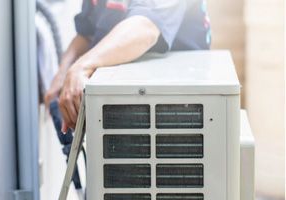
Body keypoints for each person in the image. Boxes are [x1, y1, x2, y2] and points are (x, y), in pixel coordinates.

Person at [44, 0, 211, 131]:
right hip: (120, 107)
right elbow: (86, 34)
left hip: (175, 108)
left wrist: (80, 67)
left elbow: (145, 28)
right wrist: (63, 73)